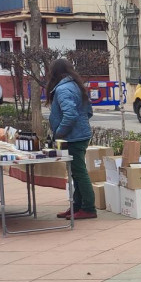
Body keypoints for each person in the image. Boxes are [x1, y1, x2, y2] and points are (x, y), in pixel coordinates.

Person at [46, 58, 96, 220]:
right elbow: (88, 111)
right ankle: (77, 206)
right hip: (79, 135)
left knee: (79, 173)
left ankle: (88, 208)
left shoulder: (63, 90)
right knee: (76, 173)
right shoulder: (75, 85)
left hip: (74, 138)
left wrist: (59, 132)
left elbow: (70, 114)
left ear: (55, 73)